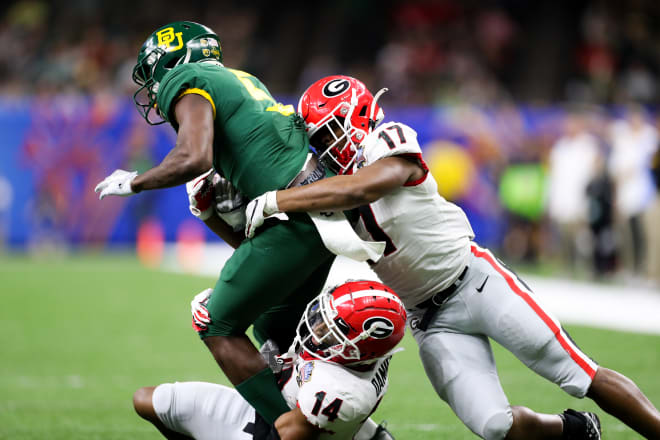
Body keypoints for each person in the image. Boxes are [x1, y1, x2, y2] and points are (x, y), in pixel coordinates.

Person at [244, 75, 660, 440]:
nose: (325, 145)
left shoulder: (388, 140)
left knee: (577, 372)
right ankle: (573, 430)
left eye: (330, 131)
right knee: (495, 426)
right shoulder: (324, 188)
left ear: (358, 117)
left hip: (476, 283)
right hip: (430, 321)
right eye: (317, 138)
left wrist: (278, 199)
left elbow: (364, 188)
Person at [94, 22, 375, 426]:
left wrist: (135, 181)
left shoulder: (186, 77)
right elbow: (247, 238)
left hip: (295, 216)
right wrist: (212, 213)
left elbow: (194, 157)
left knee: (215, 320)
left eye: (154, 70)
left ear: (173, 60)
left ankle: (292, 432)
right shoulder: (239, 79)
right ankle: (347, 425)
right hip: (319, 207)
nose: (154, 87)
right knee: (274, 330)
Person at [133, 279, 407, 440]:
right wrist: (265, 348)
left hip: (277, 425)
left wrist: (217, 335)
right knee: (148, 400)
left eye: (333, 329)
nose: (319, 327)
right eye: (323, 318)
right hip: (303, 406)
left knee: (148, 400)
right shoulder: (362, 355)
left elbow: (282, 432)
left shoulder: (339, 392)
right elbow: (287, 370)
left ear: (361, 348)